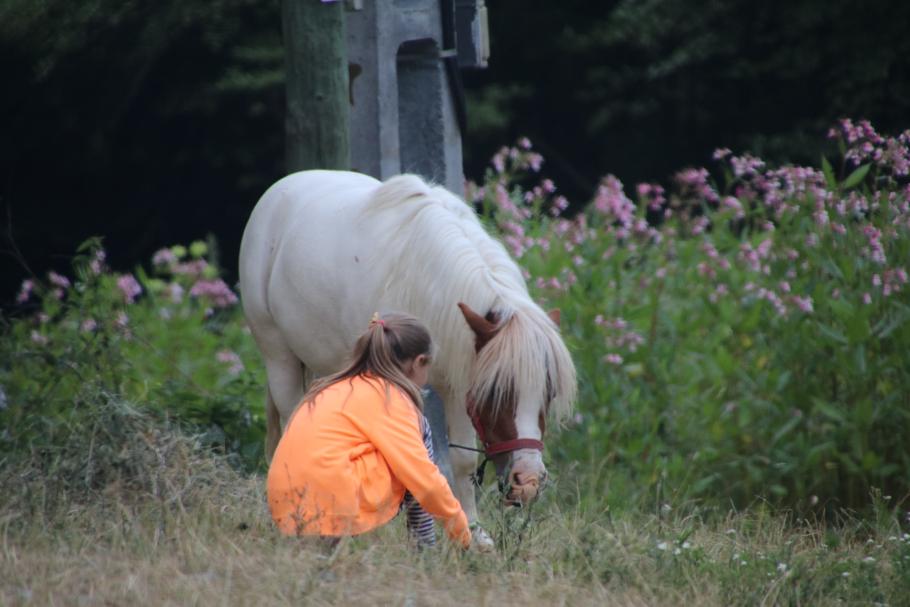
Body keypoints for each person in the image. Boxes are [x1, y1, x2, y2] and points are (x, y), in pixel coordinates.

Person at [267, 312, 471, 549]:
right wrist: (462, 535)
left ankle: (326, 547)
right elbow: (425, 481)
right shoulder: (392, 399)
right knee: (415, 452)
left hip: (286, 506)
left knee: (400, 455)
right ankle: (424, 547)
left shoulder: (332, 389)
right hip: (336, 504)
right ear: (419, 362)